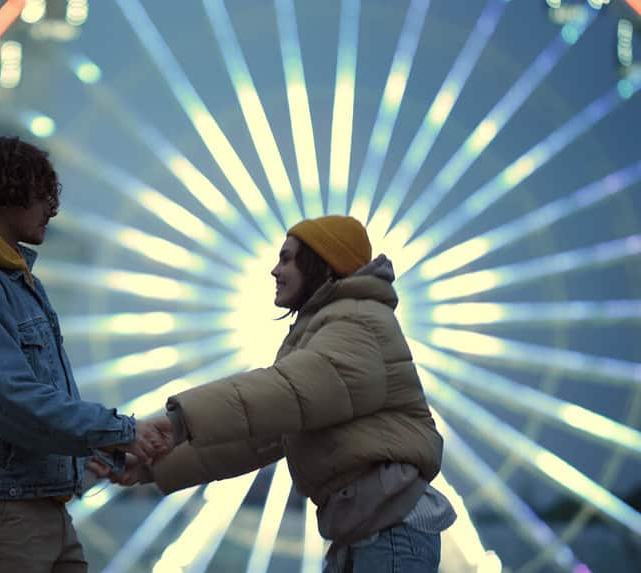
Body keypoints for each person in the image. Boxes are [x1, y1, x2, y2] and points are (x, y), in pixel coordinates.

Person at [95, 215, 456, 572]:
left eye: (286, 258)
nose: (274, 270)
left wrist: (179, 421)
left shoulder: (358, 322)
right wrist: (153, 467)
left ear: (321, 264)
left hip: (390, 532)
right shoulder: (324, 331)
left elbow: (282, 392)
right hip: (367, 532)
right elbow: (261, 435)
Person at [0, 135, 165, 573]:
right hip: (3, 510)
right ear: (7, 195)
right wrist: (117, 431)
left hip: (38, 502)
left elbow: (25, 402)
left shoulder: (8, 279)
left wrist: (89, 456)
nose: (54, 208)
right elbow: (11, 400)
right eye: (44, 194)